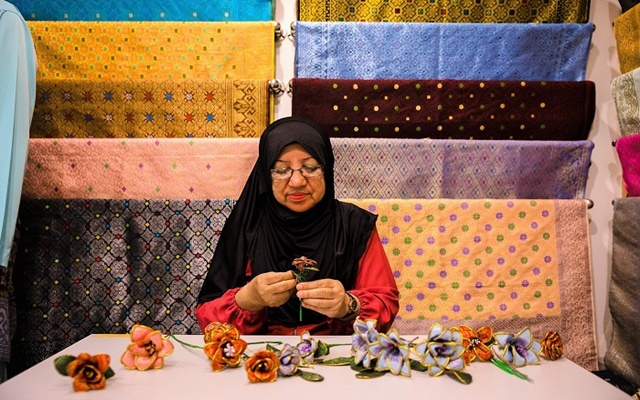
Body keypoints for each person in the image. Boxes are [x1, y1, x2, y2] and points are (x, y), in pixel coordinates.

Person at [196, 116, 399, 335]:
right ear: (266, 175)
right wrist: (247, 299)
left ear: (327, 169)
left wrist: (348, 305)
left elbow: (385, 304)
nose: (297, 182)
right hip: (260, 350)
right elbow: (209, 319)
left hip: (336, 349)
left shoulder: (354, 225)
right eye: (282, 170)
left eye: (310, 168)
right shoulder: (248, 225)